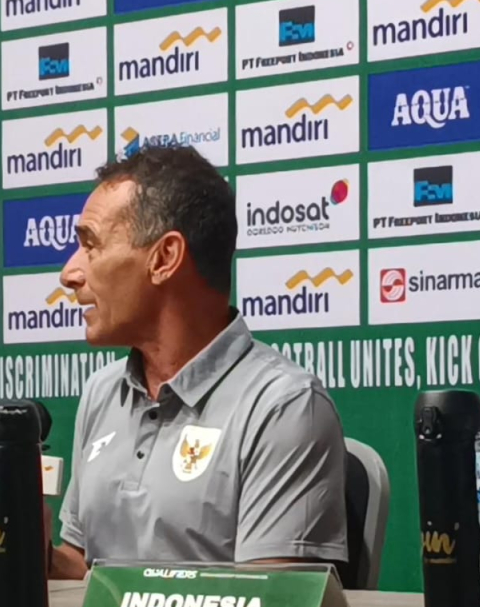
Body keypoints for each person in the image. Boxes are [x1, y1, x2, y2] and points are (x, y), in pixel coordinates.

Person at [49, 144, 349, 579]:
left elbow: (271, 601)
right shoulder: (102, 392)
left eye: (90, 246)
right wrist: (34, 553)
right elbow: (85, 569)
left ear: (164, 258)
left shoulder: (284, 406)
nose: (69, 273)